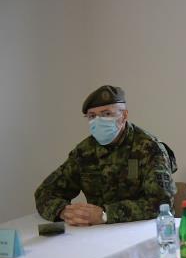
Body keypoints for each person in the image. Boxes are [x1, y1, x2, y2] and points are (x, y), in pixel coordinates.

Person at [35, 85, 177, 226]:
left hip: (142, 231)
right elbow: (44, 193)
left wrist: (105, 215)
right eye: (92, 116)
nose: (98, 121)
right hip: (97, 233)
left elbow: (162, 204)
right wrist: (64, 211)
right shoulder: (84, 152)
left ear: (124, 115)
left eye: (106, 114)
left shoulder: (149, 148)